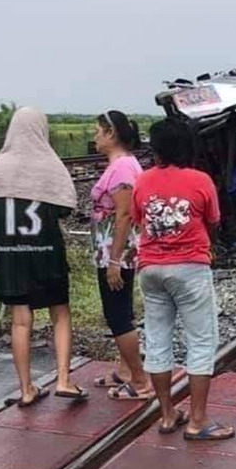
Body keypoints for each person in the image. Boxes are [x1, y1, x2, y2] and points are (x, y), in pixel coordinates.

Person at [132, 118, 233, 440]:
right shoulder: (200, 180)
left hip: (150, 268)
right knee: (201, 342)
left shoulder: (142, 181)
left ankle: (166, 415)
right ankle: (198, 421)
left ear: (157, 148)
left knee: (158, 340)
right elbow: (213, 220)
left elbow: (139, 220)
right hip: (190, 267)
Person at [0, 108, 87, 405]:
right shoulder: (49, 166)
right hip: (47, 253)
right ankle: (64, 380)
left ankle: (26, 389)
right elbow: (65, 209)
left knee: (20, 322)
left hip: (10, 256)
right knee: (60, 313)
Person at [91, 110, 152, 400]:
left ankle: (140, 381)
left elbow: (124, 214)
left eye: (98, 131)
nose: (95, 137)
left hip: (117, 253)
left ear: (111, 133)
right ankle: (126, 370)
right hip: (114, 252)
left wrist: (114, 260)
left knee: (117, 315)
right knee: (120, 311)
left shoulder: (122, 168)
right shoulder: (123, 165)